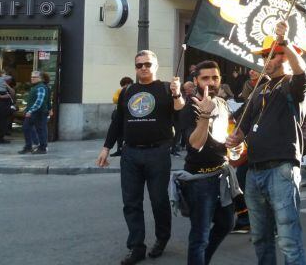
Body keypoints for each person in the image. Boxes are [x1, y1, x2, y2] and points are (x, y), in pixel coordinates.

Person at [225, 21, 306, 264]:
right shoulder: (259, 89)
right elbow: (242, 127)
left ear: (286, 56)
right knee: (260, 238)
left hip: (281, 169)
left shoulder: (294, 84)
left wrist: (284, 42)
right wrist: (234, 138)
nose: (266, 60)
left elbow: (302, 69)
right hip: (254, 171)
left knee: (288, 240)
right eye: (265, 56)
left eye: (272, 54)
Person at [96, 50, 184, 265]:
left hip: (158, 152)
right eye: (138, 65)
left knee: (158, 200)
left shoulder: (166, 88)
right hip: (131, 153)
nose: (143, 68)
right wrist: (106, 147)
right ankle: (136, 247)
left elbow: (180, 113)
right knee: (131, 203)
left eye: (147, 64)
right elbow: (117, 123)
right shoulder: (127, 92)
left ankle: (162, 238)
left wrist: (177, 94)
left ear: (155, 65)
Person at [176, 61, 238, 265]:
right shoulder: (190, 107)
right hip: (199, 181)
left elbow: (226, 134)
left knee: (226, 224)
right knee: (199, 236)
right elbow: (195, 144)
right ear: (195, 80)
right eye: (205, 78)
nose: (211, 82)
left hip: (222, 175)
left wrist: (235, 143)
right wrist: (204, 115)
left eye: (215, 77)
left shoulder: (222, 103)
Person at [18, 71, 51, 155]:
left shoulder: (41, 87)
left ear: (40, 78)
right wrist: (27, 108)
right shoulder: (35, 87)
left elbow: (39, 102)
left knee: (41, 130)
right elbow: (34, 101)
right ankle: (29, 147)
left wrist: (30, 110)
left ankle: (42, 148)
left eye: (34, 77)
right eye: (31, 77)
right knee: (26, 128)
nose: (32, 78)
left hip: (39, 113)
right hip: (33, 112)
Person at [110, 76, 135, 157]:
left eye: (128, 84)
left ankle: (128, 150)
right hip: (119, 113)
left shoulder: (133, 91)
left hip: (129, 115)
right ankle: (119, 149)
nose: (126, 86)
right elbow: (114, 99)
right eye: (124, 84)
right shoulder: (120, 91)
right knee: (118, 133)